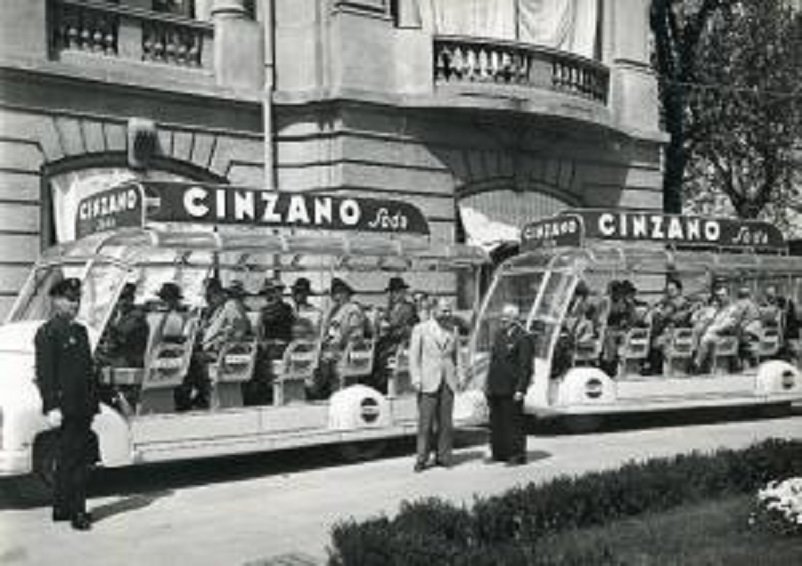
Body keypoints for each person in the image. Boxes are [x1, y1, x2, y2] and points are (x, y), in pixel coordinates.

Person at [34, 278, 97, 531]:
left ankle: (61, 508)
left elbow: (86, 371)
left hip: (83, 406)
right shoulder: (48, 332)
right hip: (65, 407)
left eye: (78, 299)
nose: (75, 304)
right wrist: (51, 406)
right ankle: (78, 512)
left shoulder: (80, 332)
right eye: (70, 299)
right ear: (56, 300)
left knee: (70, 458)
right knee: (75, 461)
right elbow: (45, 373)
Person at [408, 297, 460, 472]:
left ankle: (443, 456)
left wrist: (458, 375)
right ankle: (421, 458)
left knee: (446, 422)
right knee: (425, 423)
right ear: (434, 310)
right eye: (444, 310)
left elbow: (457, 356)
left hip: (448, 380)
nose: (448, 314)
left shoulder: (453, 329)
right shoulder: (420, 329)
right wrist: (416, 378)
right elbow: (413, 357)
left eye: (449, 310)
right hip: (427, 380)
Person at [485, 304, 533, 465]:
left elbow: (526, 367)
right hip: (495, 386)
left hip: (512, 388)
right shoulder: (499, 334)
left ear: (515, 319)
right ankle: (499, 453)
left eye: (506, 317)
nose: (502, 320)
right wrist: (487, 384)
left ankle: (517, 455)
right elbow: (493, 361)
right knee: (496, 422)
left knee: (513, 423)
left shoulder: (523, 337)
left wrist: (521, 389)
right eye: (502, 317)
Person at [312, 278, 366, 398]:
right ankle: (320, 390)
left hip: (346, 349)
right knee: (315, 357)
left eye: (340, 293)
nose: (337, 296)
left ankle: (320, 391)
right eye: (335, 293)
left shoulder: (353, 309)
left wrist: (339, 344)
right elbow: (329, 331)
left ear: (347, 294)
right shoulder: (333, 311)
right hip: (331, 348)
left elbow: (355, 333)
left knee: (324, 360)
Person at [374, 277, 418, 392]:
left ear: (403, 293)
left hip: (399, 344)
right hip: (388, 342)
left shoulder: (408, 308)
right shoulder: (390, 308)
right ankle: (379, 385)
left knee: (383, 357)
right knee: (377, 351)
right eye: (392, 292)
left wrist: (390, 329)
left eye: (397, 292)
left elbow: (410, 329)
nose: (394, 295)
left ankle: (384, 386)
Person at [645, 278, 692, 374]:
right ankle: (654, 367)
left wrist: (656, 311)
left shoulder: (679, 302)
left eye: (672, 290)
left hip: (675, 333)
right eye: (668, 290)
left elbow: (665, 316)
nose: (669, 292)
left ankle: (655, 369)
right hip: (669, 331)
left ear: (679, 290)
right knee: (652, 338)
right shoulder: (668, 301)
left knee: (654, 341)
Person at [99, 282, 149, 368]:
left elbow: (121, 336)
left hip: (129, 359)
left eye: (125, 298)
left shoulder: (136, 317)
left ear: (132, 299)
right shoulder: (117, 315)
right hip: (117, 356)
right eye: (118, 298)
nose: (121, 302)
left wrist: (109, 328)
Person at [259, 278, 295, 343]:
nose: (270, 295)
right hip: (270, 344)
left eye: (273, 291)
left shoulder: (287, 308)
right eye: (268, 292)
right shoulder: (264, 310)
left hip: (284, 343)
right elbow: (259, 328)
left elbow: (293, 327)